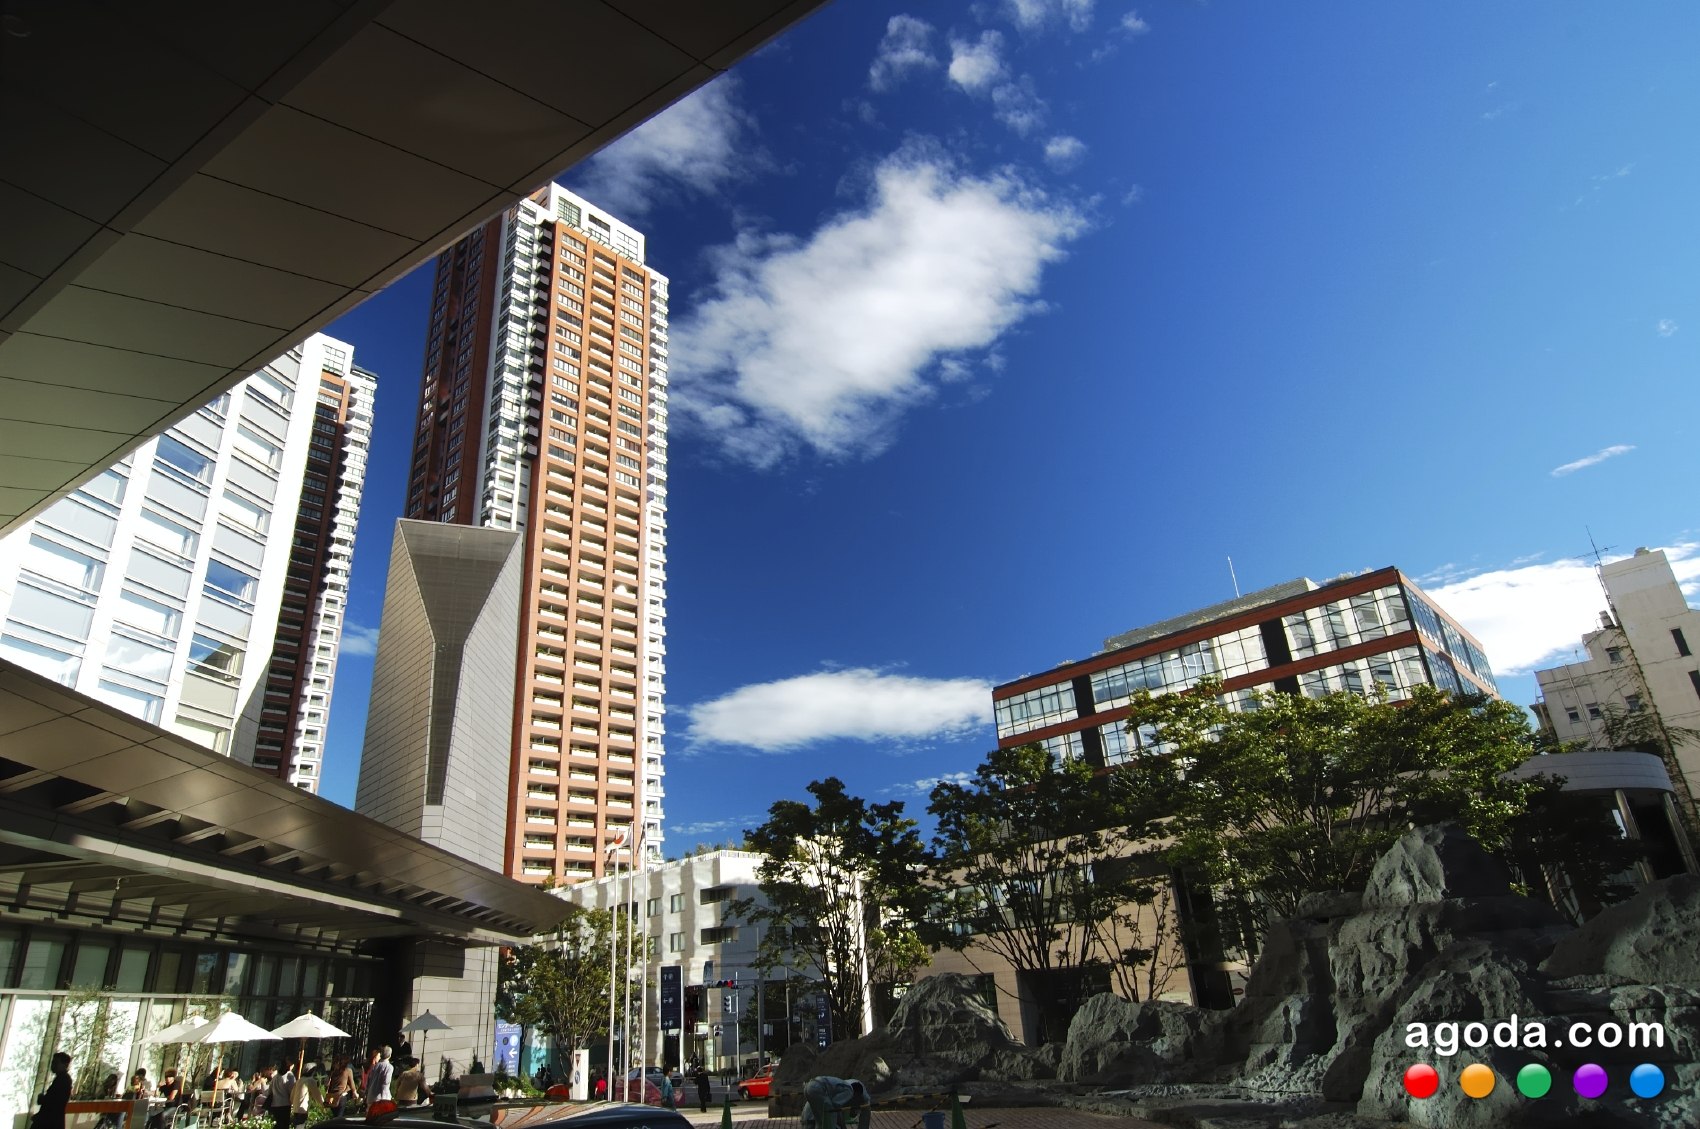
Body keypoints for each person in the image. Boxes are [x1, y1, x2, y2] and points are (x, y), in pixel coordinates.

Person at [801, 1076, 871, 1129]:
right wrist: (842, 1127)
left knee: (820, 1122)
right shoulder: (849, 1091)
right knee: (829, 1117)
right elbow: (835, 1108)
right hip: (817, 1092)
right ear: (856, 1095)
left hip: (809, 1087)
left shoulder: (842, 1087)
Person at [31, 1051, 72, 1129]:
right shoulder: (63, 1079)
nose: (53, 1065)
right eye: (53, 1062)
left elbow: (54, 1102)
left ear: (65, 1065)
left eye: (56, 1063)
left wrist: (42, 1099)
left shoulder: (63, 1080)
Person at [267, 1063, 295, 1129]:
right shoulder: (289, 1075)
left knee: (279, 1123)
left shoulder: (275, 1077)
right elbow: (292, 1090)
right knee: (284, 1124)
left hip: (275, 1104)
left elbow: (269, 1091)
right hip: (285, 1104)